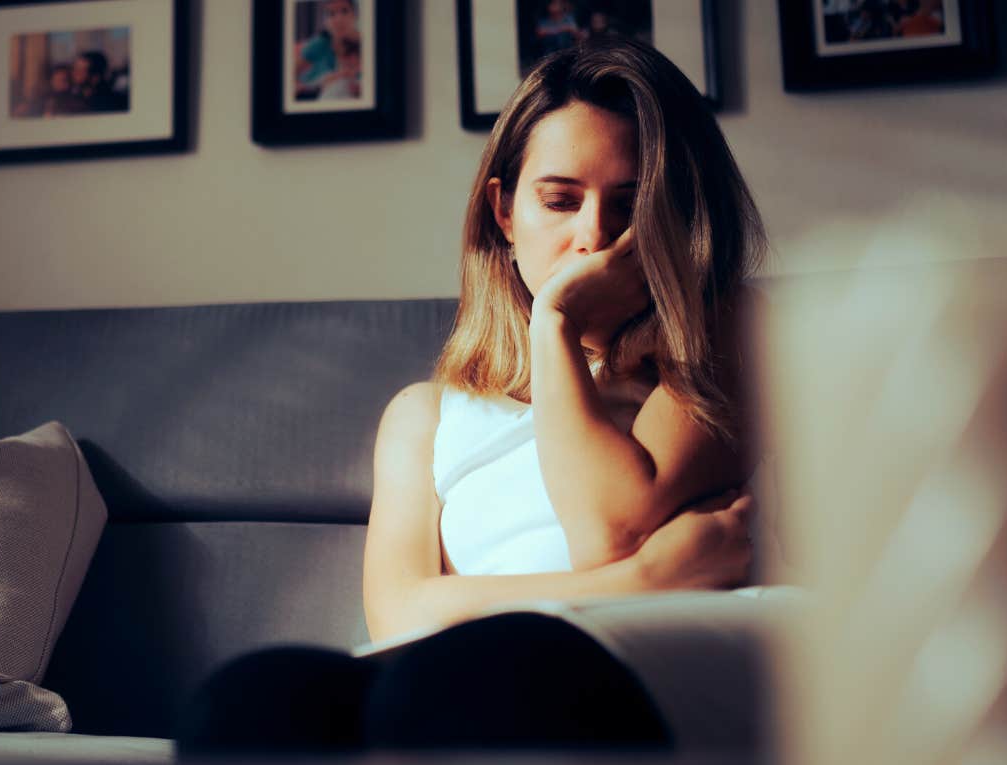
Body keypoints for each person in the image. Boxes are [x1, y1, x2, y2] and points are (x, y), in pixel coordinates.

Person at [177, 37, 766, 756]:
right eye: (559, 199)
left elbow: (608, 527)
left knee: (465, 679)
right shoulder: (424, 415)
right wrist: (646, 577)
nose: (596, 236)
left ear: (682, 215)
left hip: (642, 663)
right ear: (505, 212)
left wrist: (556, 324)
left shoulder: (719, 343)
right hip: (468, 669)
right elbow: (401, 614)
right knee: (252, 700)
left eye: (632, 203)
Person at [294, 0, 361, 100]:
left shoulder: (366, 44)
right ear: (325, 21)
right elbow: (289, 72)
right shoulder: (321, 42)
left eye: (345, 11)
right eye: (331, 14)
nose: (339, 19)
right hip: (311, 94)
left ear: (355, 15)